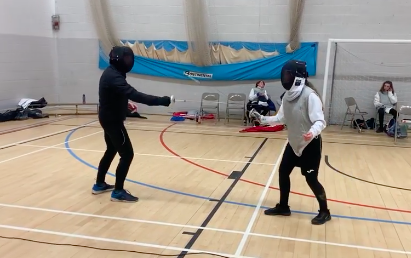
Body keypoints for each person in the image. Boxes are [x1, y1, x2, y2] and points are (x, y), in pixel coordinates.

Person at [249, 59, 331, 225]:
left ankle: (324, 211)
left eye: (288, 74)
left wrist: (311, 132)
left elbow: (320, 122)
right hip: (293, 143)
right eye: (285, 74)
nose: (285, 78)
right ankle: (283, 207)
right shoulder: (287, 96)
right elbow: (281, 118)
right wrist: (262, 118)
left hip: (310, 144)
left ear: (297, 76)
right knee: (283, 172)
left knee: (311, 179)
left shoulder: (310, 96)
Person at [92, 46, 171, 202]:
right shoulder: (114, 76)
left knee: (111, 150)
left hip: (108, 117)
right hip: (112, 121)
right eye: (126, 58)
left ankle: (99, 184)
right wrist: (160, 101)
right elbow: (134, 94)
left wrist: (123, 104)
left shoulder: (112, 73)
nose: (129, 62)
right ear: (118, 59)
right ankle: (118, 191)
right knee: (127, 154)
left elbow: (117, 95)